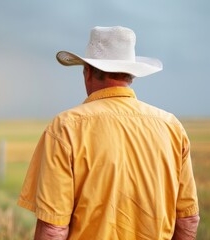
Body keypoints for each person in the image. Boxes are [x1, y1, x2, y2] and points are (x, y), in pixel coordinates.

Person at [17, 26, 200, 239]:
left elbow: (53, 228)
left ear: (87, 72)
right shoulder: (171, 127)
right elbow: (188, 219)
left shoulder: (65, 128)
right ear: (131, 75)